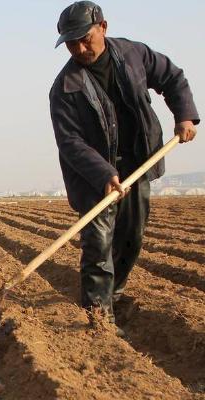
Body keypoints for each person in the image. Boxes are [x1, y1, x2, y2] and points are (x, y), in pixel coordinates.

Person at [50, 1, 198, 334]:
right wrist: (104, 174)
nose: (80, 48)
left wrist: (184, 115)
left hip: (138, 163)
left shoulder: (133, 55)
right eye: (72, 43)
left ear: (103, 27)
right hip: (94, 176)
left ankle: (112, 296)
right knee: (99, 243)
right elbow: (71, 142)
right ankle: (97, 316)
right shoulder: (64, 88)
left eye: (85, 38)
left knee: (131, 238)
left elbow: (172, 77)